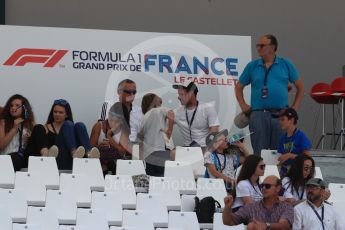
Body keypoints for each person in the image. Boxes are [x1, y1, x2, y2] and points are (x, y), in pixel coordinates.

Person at [235, 34, 304, 156]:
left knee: (279, 152)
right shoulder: (252, 66)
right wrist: (243, 105)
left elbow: (300, 87)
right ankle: (260, 174)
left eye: (262, 45)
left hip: (281, 114)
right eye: (258, 46)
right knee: (259, 153)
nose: (258, 48)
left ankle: (277, 175)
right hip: (258, 114)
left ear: (272, 47)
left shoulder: (285, 64)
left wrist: (295, 107)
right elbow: (239, 87)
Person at [27, 99, 99, 170]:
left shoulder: (71, 129)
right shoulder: (45, 128)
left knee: (80, 125)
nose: (57, 114)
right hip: (56, 160)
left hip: (72, 162)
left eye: (61, 112)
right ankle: (74, 153)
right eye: (55, 112)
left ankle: (89, 154)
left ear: (66, 114)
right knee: (68, 124)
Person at [223, 175, 294, 229]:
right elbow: (228, 222)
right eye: (262, 185)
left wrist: (266, 225)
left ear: (278, 188)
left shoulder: (286, 206)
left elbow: (284, 225)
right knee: (252, 226)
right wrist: (227, 207)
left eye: (267, 186)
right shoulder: (251, 207)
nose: (263, 188)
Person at [173, 80, 220, 152]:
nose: (178, 97)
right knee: (173, 153)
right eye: (179, 94)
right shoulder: (177, 112)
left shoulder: (208, 108)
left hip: (204, 148)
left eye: (181, 94)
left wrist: (208, 151)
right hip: (187, 148)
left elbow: (214, 133)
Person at [137, 93, 174, 176]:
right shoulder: (157, 110)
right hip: (162, 153)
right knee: (164, 181)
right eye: (158, 99)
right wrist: (170, 130)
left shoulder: (143, 119)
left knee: (152, 183)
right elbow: (171, 113)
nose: (161, 101)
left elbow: (141, 144)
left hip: (148, 156)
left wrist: (140, 162)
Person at [90, 102, 132, 174]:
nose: (113, 123)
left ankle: (105, 165)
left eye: (117, 121)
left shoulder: (124, 131)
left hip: (116, 162)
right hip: (98, 161)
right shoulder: (98, 126)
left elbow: (122, 152)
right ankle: (104, 165)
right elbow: (90, 150)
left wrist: (109, 137)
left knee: (115, 153)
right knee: (102, 150)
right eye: (111, 119)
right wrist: (99, 146)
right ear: (108, 115)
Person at [0, 94, 35, 171]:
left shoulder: (29, 125)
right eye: (11, 105)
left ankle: (46, 154)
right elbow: (1, 146)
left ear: (24, 108)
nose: (13, 108)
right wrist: (14, 128)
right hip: (7, 158)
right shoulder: (3, 122)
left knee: (39, 128)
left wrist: (28, 141)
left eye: (17, 105)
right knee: (16, 156)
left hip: (23, 158)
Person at [277, 108, 311, 177]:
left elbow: (308, 158)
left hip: (297, 173)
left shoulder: (301, 136)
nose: (280, 122)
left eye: (283, 119)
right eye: (279, 120)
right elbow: (280, 157)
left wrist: (290, 155)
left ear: (291, 120)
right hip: (284, 172)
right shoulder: (282, 138)